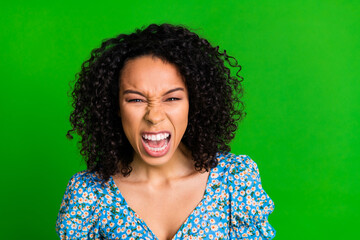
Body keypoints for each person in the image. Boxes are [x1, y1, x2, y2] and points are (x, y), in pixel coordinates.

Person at [56, 23, 276, 240]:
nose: (154, 115)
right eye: (135, 99)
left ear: (194, 102)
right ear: (116, 107)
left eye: (172, 98)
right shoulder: (88, 195)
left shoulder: (235, 180)